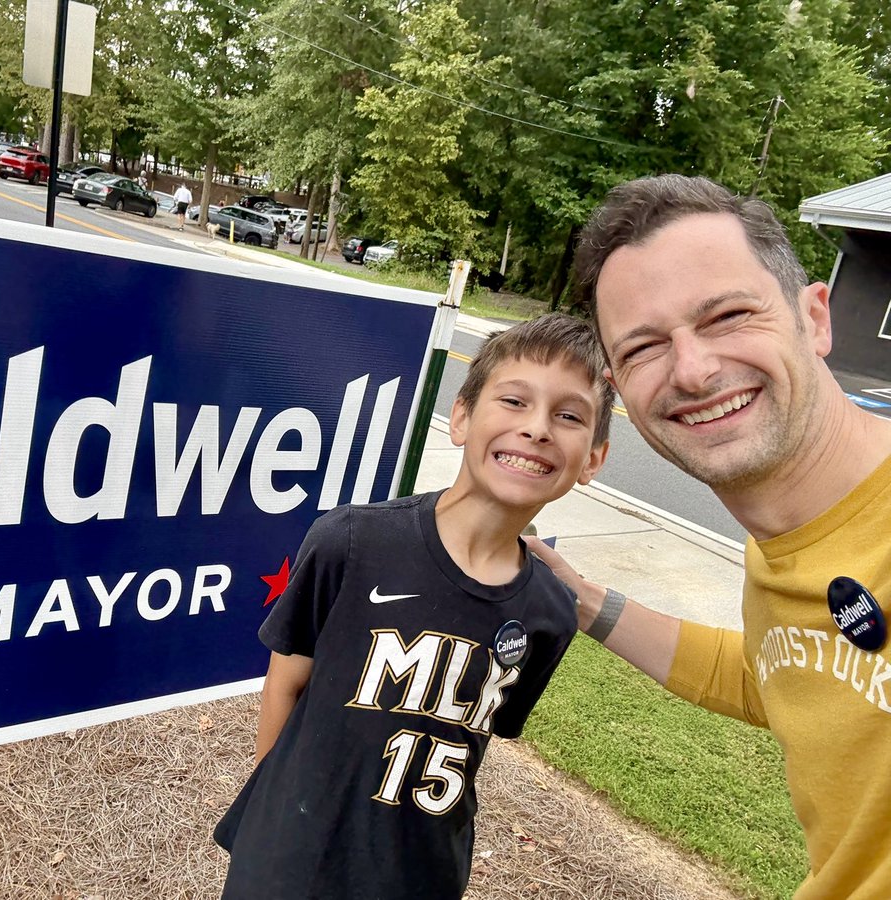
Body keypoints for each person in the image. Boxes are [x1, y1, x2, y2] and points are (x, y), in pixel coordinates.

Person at [526, 174, 891, 900]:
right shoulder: (782, 542)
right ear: (621, 388)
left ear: (815, 318)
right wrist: (581, 600)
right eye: (644, 348)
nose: (692, 371)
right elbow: (779, 678)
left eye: (728, 315)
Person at [214, 314, 613, 899]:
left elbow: (475, 741)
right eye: (514, 401)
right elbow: (285, 683)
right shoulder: (352, 541)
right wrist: (273, 827)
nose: (536, 429)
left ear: (594, 459)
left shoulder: (550, 612)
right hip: (289, 866)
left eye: (569, 416)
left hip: (422, 877)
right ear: (461, 417)